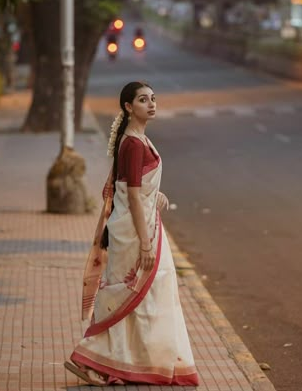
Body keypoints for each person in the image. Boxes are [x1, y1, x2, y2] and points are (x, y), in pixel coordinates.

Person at [65, 81, 199, 386]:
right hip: (137, 233)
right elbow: (134, 196)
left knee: (142, 297)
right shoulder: (134, 143)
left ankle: (123, 363)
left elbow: (132, 188)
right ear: (128, 107)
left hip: (139, 225)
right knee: (131, 296)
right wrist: (146, 245)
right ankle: (92, 359)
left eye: (153, 99)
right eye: (142, 100)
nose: (151, 104)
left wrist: (157, 195)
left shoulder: (137, 139)